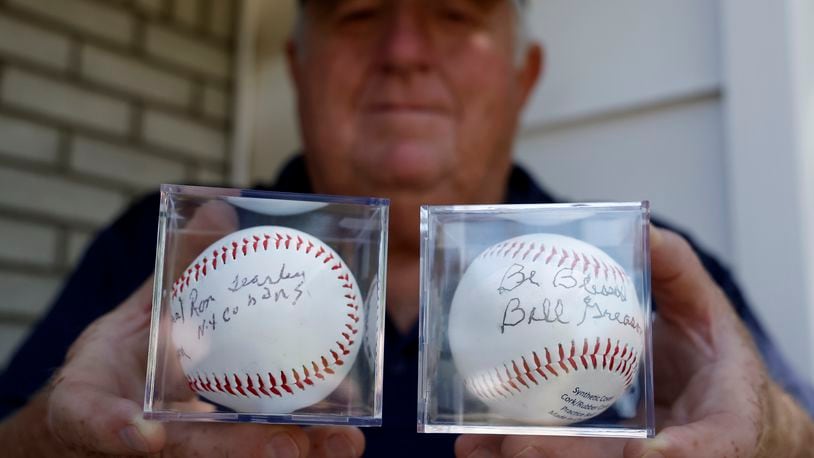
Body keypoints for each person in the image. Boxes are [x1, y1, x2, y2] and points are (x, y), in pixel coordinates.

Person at [1, 0, 813, 456]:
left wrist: (772, 433)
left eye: (455, 11)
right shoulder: (158, 255)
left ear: (524, 76)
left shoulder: (653, 278)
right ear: (296, 68)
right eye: (357, 12)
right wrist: (57, 440)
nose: (402, 50)